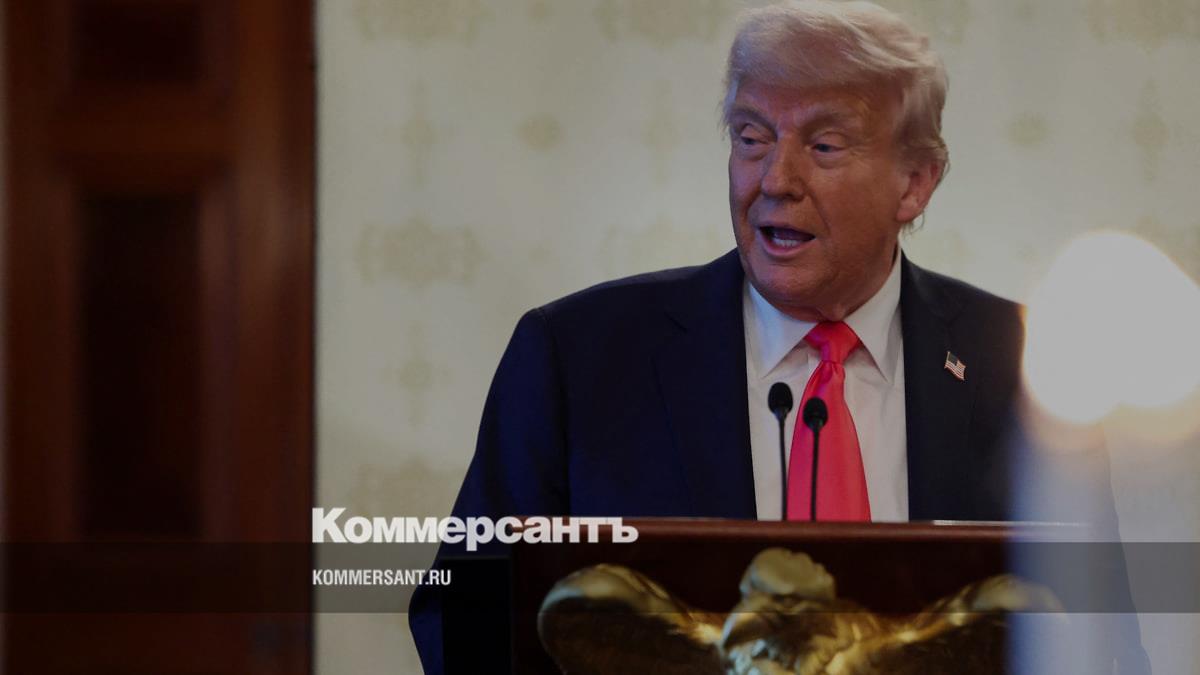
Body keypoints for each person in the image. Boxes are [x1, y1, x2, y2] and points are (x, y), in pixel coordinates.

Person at [410, 2, 1149, 672]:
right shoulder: (577, 358)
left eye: (824, 145)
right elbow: (462, 621)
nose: (775, 179)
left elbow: (1103, 642)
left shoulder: (1027, 368)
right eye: (752, 137)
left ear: (915, 182)